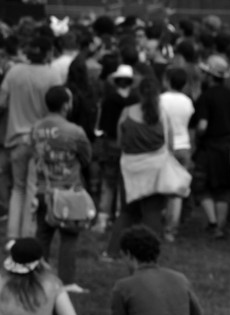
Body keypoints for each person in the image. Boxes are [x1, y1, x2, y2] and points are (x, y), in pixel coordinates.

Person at [0, 36, 62, 239]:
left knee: (17, 189)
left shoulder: (14, 72)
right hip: (40, 140)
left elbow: (1, 102)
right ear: (47, 52)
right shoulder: (52, 76)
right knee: (32, 189)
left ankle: (12, 236)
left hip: (16, 139)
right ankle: (27, 236)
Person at [31, 86, 91, 292]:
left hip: (42, 188)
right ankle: (67, 281)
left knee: (43, 234)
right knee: (69, 236)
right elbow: (86, 158)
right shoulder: (75, 131)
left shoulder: (36, 128)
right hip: (67, 191)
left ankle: (38, 278)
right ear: (66, 105)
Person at [104, 78, 172, 259]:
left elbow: (120, 142)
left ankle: (112, 252)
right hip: (155, 169)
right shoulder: (161, 114)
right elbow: (168, 143)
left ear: (138, 93)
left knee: (127, 212)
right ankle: (150, 255)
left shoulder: (127, 112)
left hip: (130, 169)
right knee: (152, 213)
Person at [193, 55, 230, 239]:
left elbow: (202, 125)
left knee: (202, 186)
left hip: (210, 147)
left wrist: (198, 137)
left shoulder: (205, 97)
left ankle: (212, 222)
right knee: (224, 189)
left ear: (209, 76)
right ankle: (220, 226)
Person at [94, 63, 138, 234]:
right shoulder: (135, 100)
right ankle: (121, 216)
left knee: (108, 181)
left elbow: (102, 123)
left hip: (111, 143)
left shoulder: (109, 100)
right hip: (128, 145)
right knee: (124, 183)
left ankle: (103, 217)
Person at [159, 67, 194, 243]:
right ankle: (171, 230)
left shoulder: (161, 100)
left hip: (165, 147)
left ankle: (159, 222)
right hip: (184, 146)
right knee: (177, 191)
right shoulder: (187, 102)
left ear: (166, 81)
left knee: (161, 186)